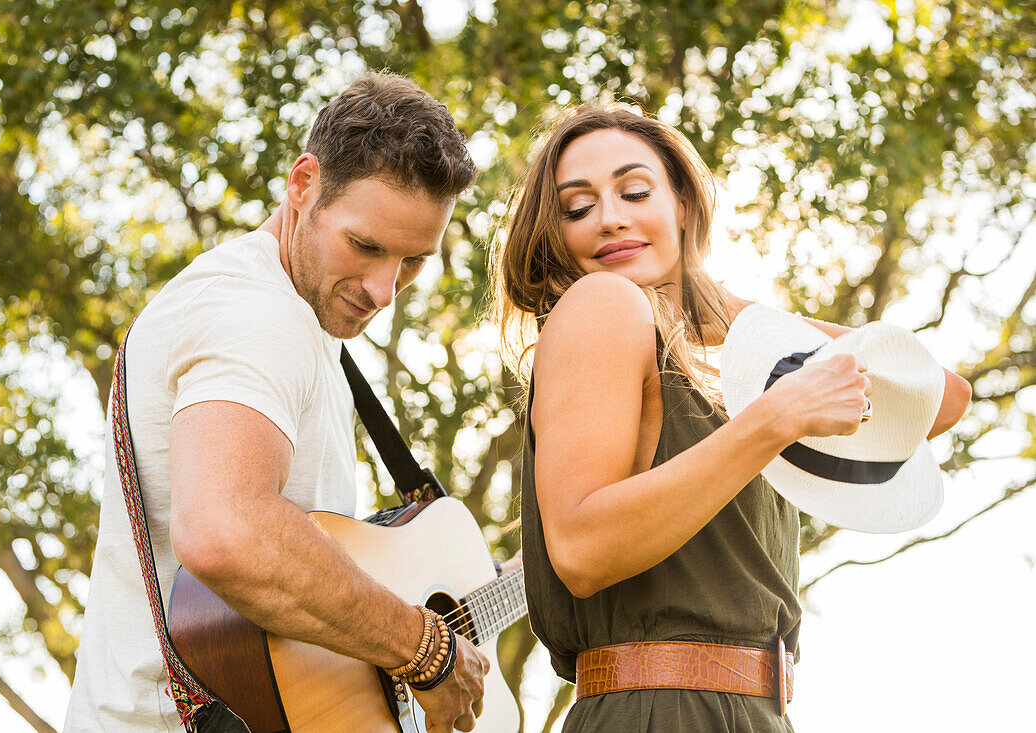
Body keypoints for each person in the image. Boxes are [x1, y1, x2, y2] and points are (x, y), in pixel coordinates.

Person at [490, 105, 972, 731]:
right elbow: (582, 551)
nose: (610, 218)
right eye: (577, 208)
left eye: (635, 192)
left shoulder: (729, 362)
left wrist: (730, 312)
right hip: (660, 709)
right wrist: (776, 418)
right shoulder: (603, 304)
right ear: (556, 235)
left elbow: (939, 398)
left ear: (684, 205)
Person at [65, 72, 490, 733]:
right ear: (303, 185)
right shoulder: (256, 311)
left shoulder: (304, 319)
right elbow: (225, 529)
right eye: (367, 245)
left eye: (412, 261)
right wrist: (424, 649)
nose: (385, 289)